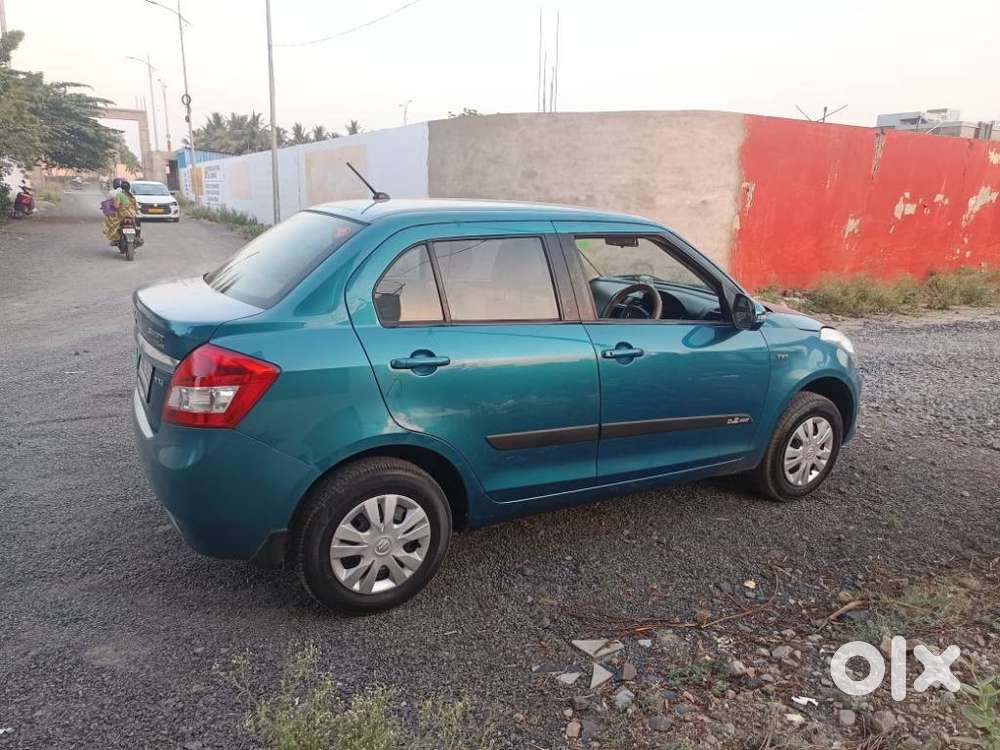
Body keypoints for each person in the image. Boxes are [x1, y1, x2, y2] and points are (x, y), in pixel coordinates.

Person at [102, 178, 143, 246]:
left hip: (121, 214)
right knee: (137, 223)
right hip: (131, 214)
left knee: (112, 224)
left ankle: (115, 239)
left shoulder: (118, 194)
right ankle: (138, 236)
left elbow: (116, 206)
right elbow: (136, 205)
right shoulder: (131, 195)